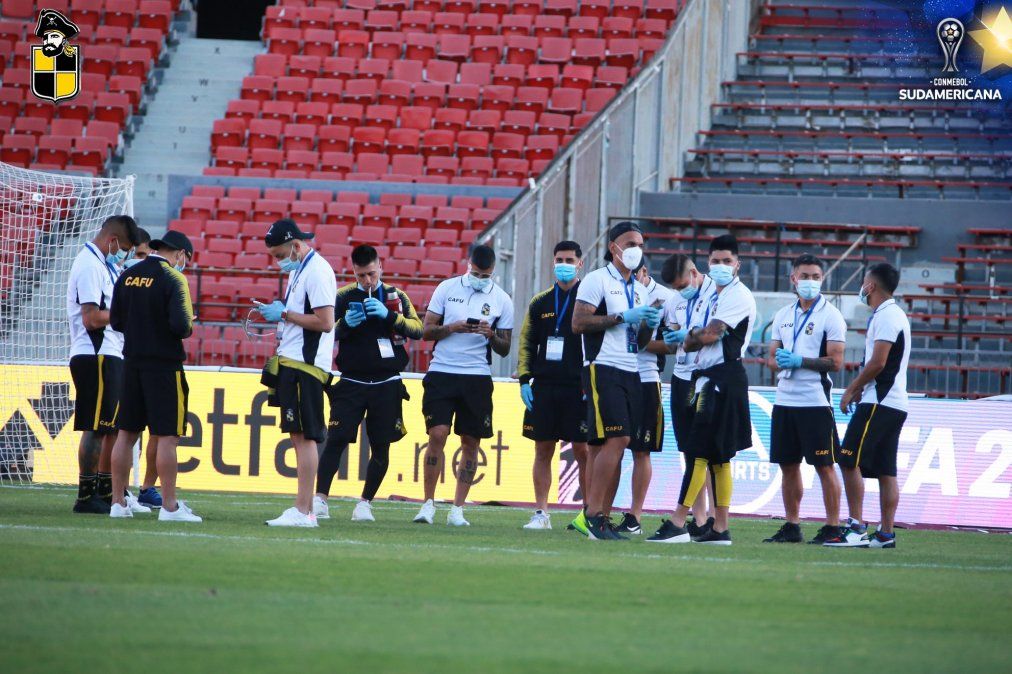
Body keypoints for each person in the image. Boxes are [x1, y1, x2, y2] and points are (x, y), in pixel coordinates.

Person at [648, 234, 756, 545]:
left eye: (726, 261)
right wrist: (691, 335)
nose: (721, 266)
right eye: (716, 261)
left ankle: (678, 522)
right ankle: (719, 528)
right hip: (707, 377)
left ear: (737, 264)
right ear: (707, 264)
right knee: (718, 458)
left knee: (697, 453)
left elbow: (708, 336)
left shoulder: (737, 296)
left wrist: (689, 335)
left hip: (722, 377)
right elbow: (695, 336)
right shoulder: (712, 297)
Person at [314, 245, 422, 522]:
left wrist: (389, 316)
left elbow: (418, 330)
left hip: (387, 383)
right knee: (335, 440)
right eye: (362, 276)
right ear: (354, 272)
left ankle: (365, 503)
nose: (368, 281)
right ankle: (320, 499)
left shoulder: (396, 296)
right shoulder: (343, 296)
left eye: (372, 274)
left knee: (381, 446)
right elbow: (325, 333)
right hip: (351, 381)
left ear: (381, 268)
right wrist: (345, 324)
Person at [571, 221, 660, 541]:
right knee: (619, 439)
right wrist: (623, 317)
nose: (636, 248)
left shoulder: (638, 288)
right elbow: (579, 323)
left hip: (630, 368)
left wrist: (649, 322)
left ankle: (600, 517)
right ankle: (593, 515)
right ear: (614, 247)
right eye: (630, 242)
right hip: (601, 366)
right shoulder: (597, 280)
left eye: (640, 243)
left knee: (606, 445)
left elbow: (641, 338)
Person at [414, 244, 514, 526]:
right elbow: (426, 330)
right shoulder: (446, 289)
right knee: (438, 434)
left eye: (486, 275)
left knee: (471, 441)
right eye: (476, 273)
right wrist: (451, 327)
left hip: (477, 376)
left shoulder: (502, 300)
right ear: (468, 265)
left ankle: (457, 508)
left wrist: (490, 334)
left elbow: (505, 348)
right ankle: (428, 503)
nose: (480, 279)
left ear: (494, 272)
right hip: (443, 371)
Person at [108, 230, 201, 522]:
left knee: (126, 434)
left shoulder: (128, 275)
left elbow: (116, 321)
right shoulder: (175, 279)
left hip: (131, 362)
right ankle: (170, 507)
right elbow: (182, 326)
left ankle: (118, 502)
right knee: (167, 437)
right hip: (163, 366)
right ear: (181, 254)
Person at [762, 254, 847, 545]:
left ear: (821, 280)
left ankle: (833, 526)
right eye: (805, 276)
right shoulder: (784, 315)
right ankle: (792, 524)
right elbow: (771, 359)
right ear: (793, 279)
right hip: (785, 401)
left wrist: (800, 361)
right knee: (787, 465)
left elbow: (835, 362)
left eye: (815, 277)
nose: (810, 282)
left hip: (815, 401)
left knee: (825, 466)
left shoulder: (831, 316)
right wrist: (780, 361)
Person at [258, 219, 337, 528]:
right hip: (294, 364)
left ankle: (303, 510)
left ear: (295, 245)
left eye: (279, 254)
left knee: (304, 437)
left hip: (306, 367)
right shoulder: (303, 271)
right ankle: (302, 509)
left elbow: (326, 321)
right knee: (298, 435)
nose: (278, 261)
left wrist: (285, 313)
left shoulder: (316, 271)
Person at [828, 263, 911, 549]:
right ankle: (886, 534)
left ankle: (856, 528)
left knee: (848, 459)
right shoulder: (894, 314)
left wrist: (853, 388)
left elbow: (878, 362)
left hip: (880, 401)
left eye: (864, 282)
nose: (862, 288)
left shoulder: (886, 316)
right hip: (895, 403)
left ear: (871, 286)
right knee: (887, 470)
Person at [66, 215, 139, 514]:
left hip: (108, 354)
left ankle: (103, 490)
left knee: (109, 428)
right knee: (96, 427)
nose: (124, 254)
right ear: (111, 240)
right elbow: (91, 318)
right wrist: (125, 311)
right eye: (123, 248)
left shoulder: (104, 266)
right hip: (93, 353)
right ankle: (85, 496)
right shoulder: (90, 266)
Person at [517, 240, 588, 531]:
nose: (564, 264)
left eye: (570, 260)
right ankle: (541, 513)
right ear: (552, 262)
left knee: (584, 452)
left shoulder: (590, 298)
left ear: (580, 263)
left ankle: (589, 513)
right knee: (543, 449)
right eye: (560, 259)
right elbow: (526, 342)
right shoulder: (540, 302)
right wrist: (524, 380)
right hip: (545, 386)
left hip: (578, 387)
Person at [604, 261, 673, 535]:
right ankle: (602, 514)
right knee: (613, 447)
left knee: (641, 450)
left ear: (644, 272)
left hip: (646, 378)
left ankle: (634, 516)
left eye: (636, 274)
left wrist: (641, 342)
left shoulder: (665, 298)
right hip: (616, 374)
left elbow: (672, 343)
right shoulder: (612, 290)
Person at [660, 253, 717, 537]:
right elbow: (672, 343)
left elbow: (714, 334)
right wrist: (672, 339)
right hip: (681, 378)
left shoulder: (715, 296)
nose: (681, 291)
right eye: (676, 288)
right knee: (689, 452)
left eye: (683, 284)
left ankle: (706, 518)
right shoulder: (674, 301)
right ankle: (701, 517)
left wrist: (687, 335)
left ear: (695, 272)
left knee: (704, 451)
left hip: (706, 379)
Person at [124, 227, 163, 510]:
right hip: (127, 359)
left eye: (145, 253)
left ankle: (142, 489)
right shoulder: (123, 278)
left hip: (144, 360)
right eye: (138, 253)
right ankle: (116, 492)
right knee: (124, 432)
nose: (142, 259)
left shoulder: (155, 281)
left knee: (156, 430)